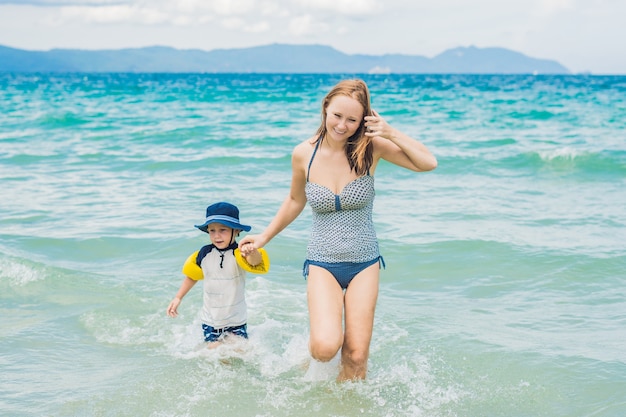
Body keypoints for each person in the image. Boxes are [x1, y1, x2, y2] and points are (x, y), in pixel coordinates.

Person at [239, 79, 437, 380]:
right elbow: (295, 199)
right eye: (338, 116)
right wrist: (265, 236)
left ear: (363, 122)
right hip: (323, 262)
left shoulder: (372, 149)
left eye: (352, 120)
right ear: (326, 109)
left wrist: (390, 131)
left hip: (365, 262)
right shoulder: (304, 154)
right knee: (324, 348)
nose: (343, 125)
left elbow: (428, 163)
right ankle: (312, 364)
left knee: (356, 356)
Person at [167, 202, 270, 347]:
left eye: (223, 230)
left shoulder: (240, 253)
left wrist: (252, 251)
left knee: (240, 351)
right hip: (211, 320)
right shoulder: (204, 253)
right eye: (212, 231)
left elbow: (255, 263)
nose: (217, 236)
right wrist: (178, 297)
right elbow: (193, 275)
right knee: (214, 354)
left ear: (236, 231)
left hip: (236, 320)